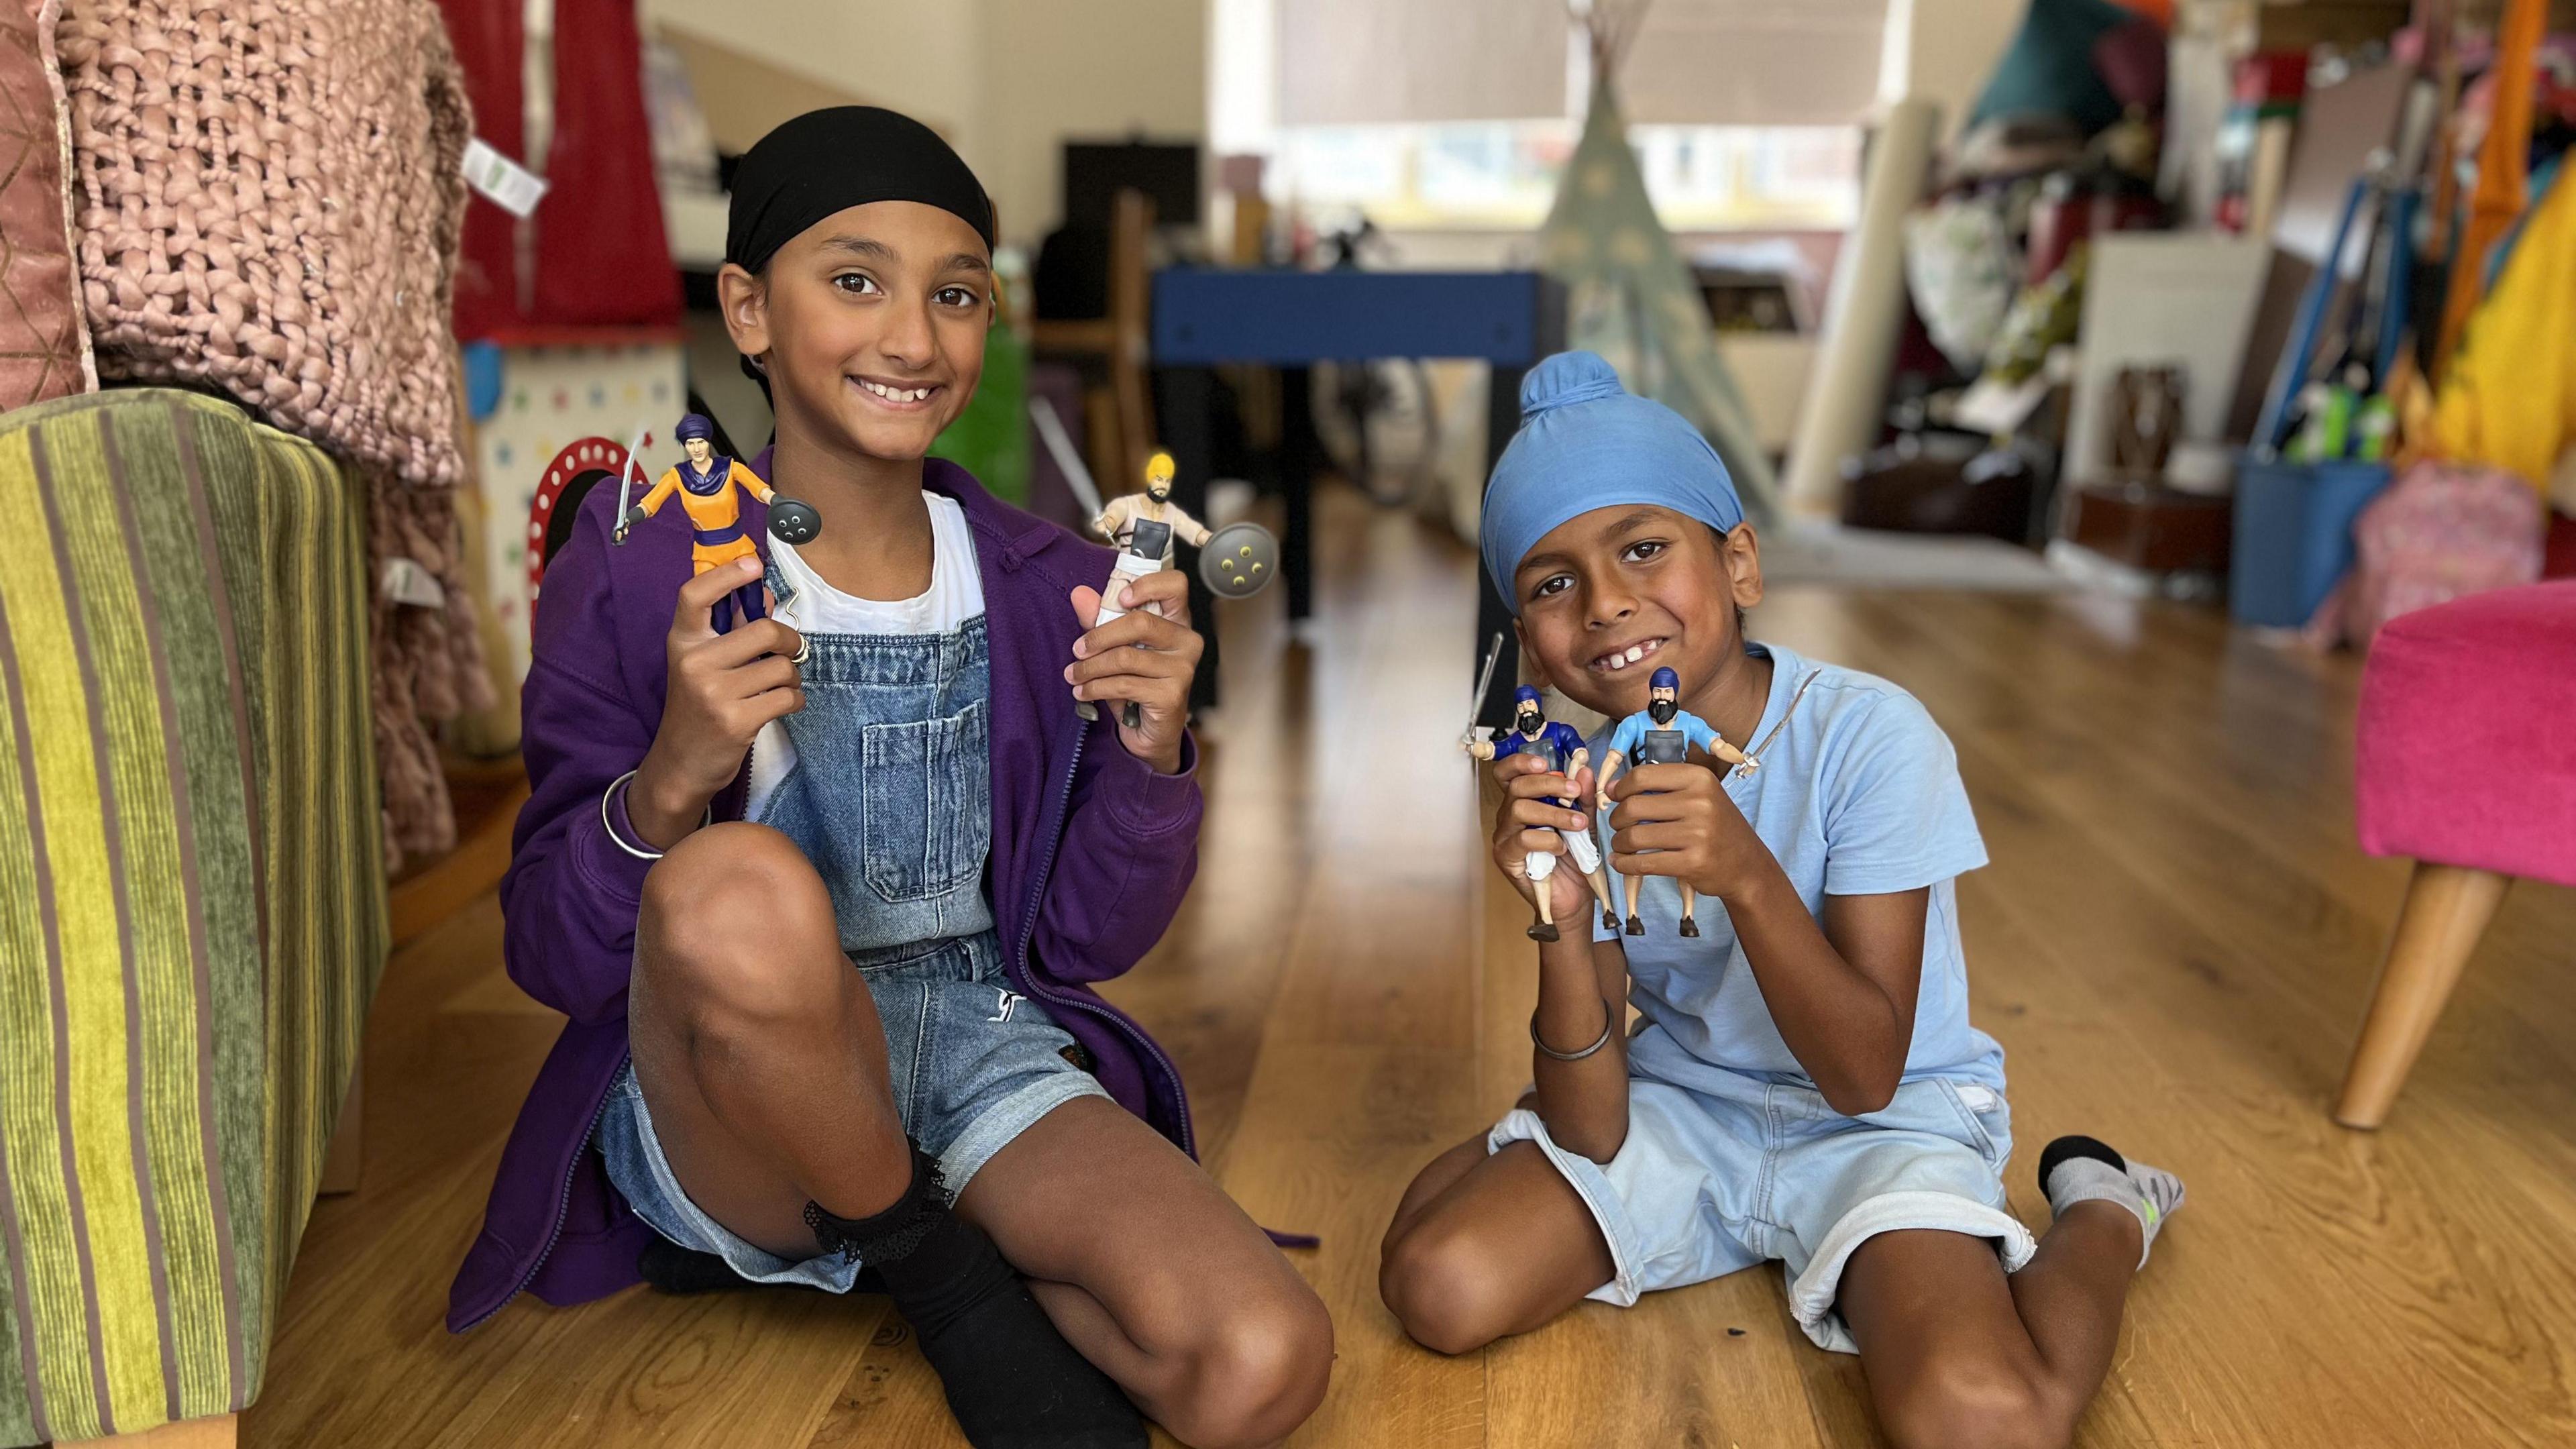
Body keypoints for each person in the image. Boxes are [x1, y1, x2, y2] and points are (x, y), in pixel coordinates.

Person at [449, 107, 1331, 1449]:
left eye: (956, 294)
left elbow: (1089, 938)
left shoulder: (1052, 586)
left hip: (975, 1040)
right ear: (747, 309)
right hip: (731, 1087)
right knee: (736, 889)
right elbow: (554, 957)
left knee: (1261, 1364)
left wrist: (1154, 752)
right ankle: (943, 1275)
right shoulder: (633, 574)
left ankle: (900, 1228)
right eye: (854, 280)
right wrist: (674, 777)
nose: (913, 337)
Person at [1379, 352, 2184, 1449]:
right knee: (1439, 1285)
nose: (1607, 601)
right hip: (1687, 1106)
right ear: (1533, 644)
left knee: (1985, 1417)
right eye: (1552, 582)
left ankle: (2106, 1210)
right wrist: (1563, 923)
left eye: (1646, 549)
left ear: (1742, 564)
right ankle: (1537, 1179)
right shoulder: (1585, 777)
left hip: (1881, 1118)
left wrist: (1746, 872)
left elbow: (1863, 1073)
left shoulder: (1872, 737)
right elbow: (1594, 1119)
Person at [1595, 664, 1753, 937]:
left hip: (1677, 798)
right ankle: (1633, 914)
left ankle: (1688, 915)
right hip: (1643, 796)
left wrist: (1744, 759)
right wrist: (1599, 789)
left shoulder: (1691, 723)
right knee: (1632, 855)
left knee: (1684, 860)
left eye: (1667, 691)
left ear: (1675, 692)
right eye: (1658, 691)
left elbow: (1718, 746)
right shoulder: (1633, 723)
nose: (1662, 697)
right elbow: (1614, 757)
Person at [1465, 684, 1617, 940]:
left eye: (1529, 706)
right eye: (1521, 708)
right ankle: (1547, 920)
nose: (1526, 711)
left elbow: (1579, 754)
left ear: (1538, 705)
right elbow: (1491, 750)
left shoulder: (1560, 732)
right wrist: (1471, 747)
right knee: (1538, 863)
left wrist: (1570, 785)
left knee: (1586, 855)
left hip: (1564, 804)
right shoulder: (1515, 742)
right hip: (1536, 810)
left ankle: (1608, 909)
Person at [621, 413, 776, 633]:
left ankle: (766, 652)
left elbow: (760, 490)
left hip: (739, 548)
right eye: (690, 443)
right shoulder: (677, 477)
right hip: (707, 556)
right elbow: (649, 505)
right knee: (719, 621)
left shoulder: (731, 469)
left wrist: (779, 501)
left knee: (755, 611)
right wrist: (627, 520)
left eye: (701, 442)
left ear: (709, 441)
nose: (696, 448)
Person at [1092, 449, 1214, 564]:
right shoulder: (1129, 504)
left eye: (1167, 481)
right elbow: (1116, 513)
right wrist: (1110, 522)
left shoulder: (1172, 511)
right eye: (1159, 480)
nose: (1163, 486)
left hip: (1160, 574)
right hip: (1127, 569)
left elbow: (1191, 529)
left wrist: (1210, 539)